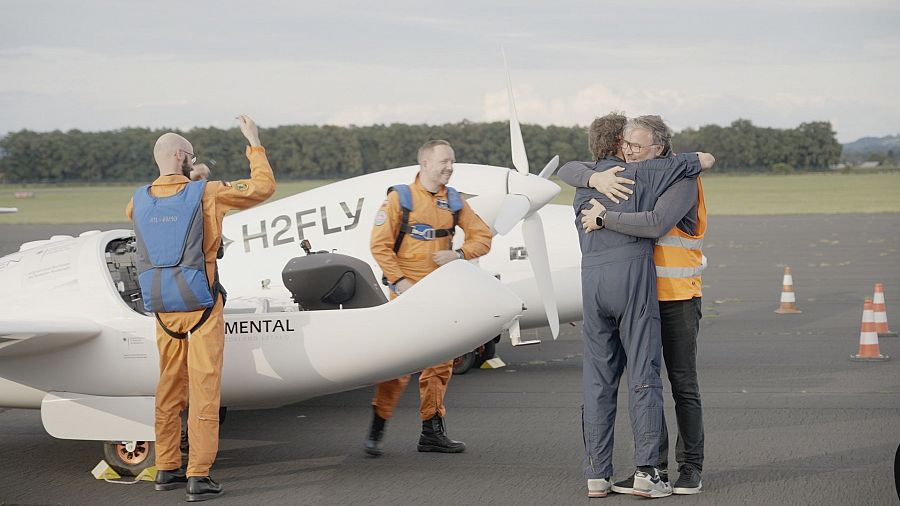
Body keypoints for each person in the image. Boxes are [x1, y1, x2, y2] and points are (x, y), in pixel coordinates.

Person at [558, 113, 714, 499]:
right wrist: (593, 176)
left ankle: (689, 466)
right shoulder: (623, 175)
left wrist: (604, 216)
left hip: (675, 296)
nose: (629, 151)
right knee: (647, 380)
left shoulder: (677, 176)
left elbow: (658, 221)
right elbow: (572, 167)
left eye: (637, 145)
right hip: (640, 292)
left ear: (658, 148)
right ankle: (652, 467)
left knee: (681, 383)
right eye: (625, 144)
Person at [127, 115, 275, 501]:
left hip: (162, 306)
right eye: (191, 156)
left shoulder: (137, 200)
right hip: (202, 304)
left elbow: (154, 217)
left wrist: (187, 184)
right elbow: (264, 187)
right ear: (181, 155)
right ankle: (199, 474)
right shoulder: (208, 193)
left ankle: (166, 468)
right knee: (204, 386)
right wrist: (253, 142)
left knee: (168, 387)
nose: (194, 161)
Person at [364, 139, 492, 456]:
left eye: (452, 161)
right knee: (398, 365)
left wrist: (459, 253)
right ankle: (376, 429)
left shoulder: (455, 201)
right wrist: (401, 282)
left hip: (439, 294)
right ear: (424, 164)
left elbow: (483, 237)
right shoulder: (400, 199)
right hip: (406, 296)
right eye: (444, 162)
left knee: (440, 364)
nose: (449, 167)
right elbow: (379, 246)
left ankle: (432, 432)